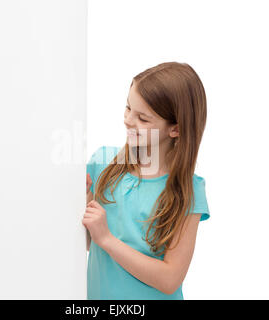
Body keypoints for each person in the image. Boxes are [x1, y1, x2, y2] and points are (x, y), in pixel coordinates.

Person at [82, 61, 210, 300]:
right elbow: (88, 242)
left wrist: (107, 239)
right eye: (128, 108)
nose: (129, 120)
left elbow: (170, 279)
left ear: (175, 129)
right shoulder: (103, 162)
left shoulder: (189, 191)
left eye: (143, 118)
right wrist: (81, 199)